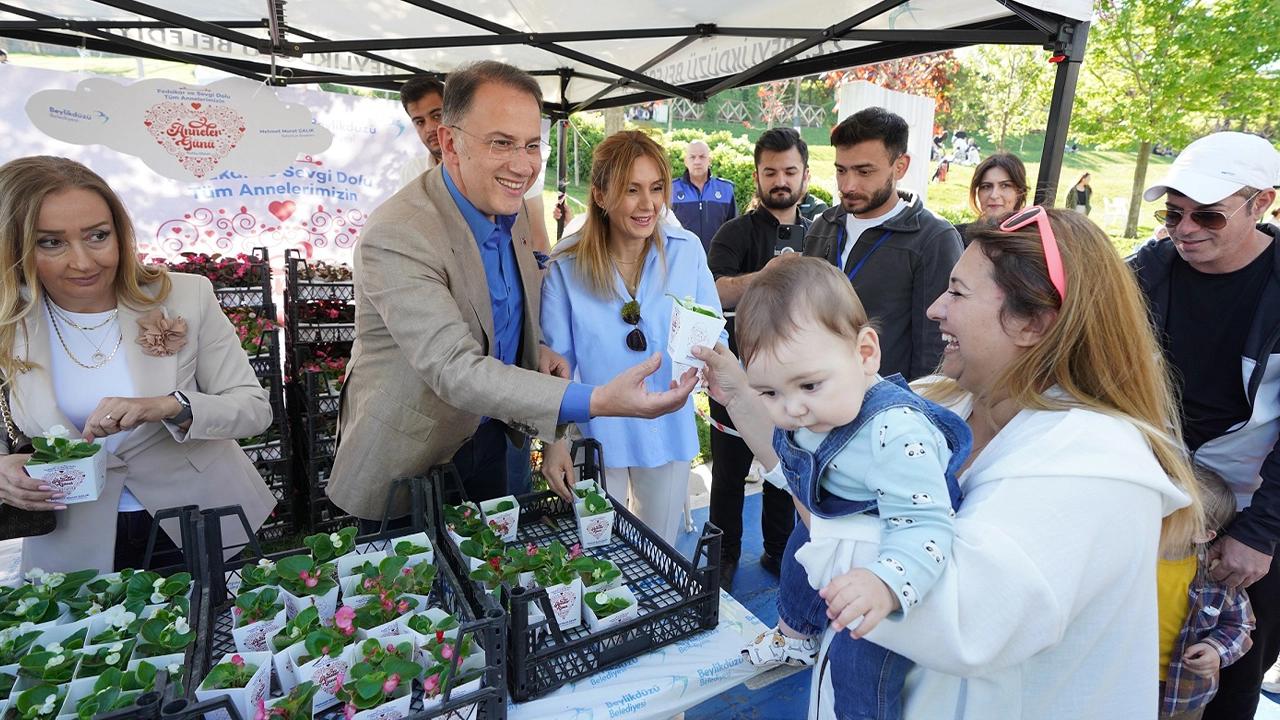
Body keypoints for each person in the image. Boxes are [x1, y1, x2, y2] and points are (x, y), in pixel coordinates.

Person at [697, 207, 1200, 718]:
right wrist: (741, 393)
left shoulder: (1090, 464)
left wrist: (820, 515)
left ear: (1033, 322)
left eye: (957, 292)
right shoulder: (940, 403)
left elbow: (961, 622)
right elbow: (818, 473)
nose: (936, 308)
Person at [330, 61, 697, 527]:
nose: (522, 165)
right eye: (500, 143)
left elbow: (504, 315)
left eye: (530, 145)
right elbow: (454, 368)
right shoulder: (399, 233)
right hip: (415, 460)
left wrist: (536, 351)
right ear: (450, 143)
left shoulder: (514, 212)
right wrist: (597, 400)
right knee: (416, 595)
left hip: (499, 445)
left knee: (501, 585)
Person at [0, 156, 277, 572]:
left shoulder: (185, 296)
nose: (83, 261)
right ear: (14, 247)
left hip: (200, 517)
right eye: (51, 242)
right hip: (73, 534)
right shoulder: (8, 320)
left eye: (98, 235)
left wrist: (171, 406)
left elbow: (254, 409)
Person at [733, 258, 970, 720]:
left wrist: (885, 584)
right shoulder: (821, 406)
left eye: (807, 385)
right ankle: (796, 633)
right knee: (798, 554)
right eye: (769, 394)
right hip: (832, 527)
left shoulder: (896, 432)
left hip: (891, 557)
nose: (792, 409)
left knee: (857, 664)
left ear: (865, 353)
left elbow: (926, 525)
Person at [1130, 131, 1280, 720]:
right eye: (1173, 213)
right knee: (1136, 649)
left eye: (1209, 216)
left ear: (1262, 204)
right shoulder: (1149, 268)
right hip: (1155, 492)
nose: (1185, 228)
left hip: (1251, 505)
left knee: (1234, 670)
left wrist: (1261, 533)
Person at [538, 131, 725, 544]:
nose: (648, 205)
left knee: (660, 550)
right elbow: (556, 363)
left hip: (667, 425)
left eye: (657, 188)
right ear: (601, 195)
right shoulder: (565, 266)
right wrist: (555, 442)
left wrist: (724, 374)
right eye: (631, 190)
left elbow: (713, 331)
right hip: (596, 434)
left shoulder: (686, 250)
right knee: (598, 553)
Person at [706, 128, 809, 589]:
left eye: (790, 170)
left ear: (805, 174)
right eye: (771, 171)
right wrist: (762, 278)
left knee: (785, 467)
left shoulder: (820, 231)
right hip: (736, 374)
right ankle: (723, 554)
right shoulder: (734, 232)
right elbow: (708, 289)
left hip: (797, 381)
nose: (781, 180)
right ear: (757, 175)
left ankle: (778, 550)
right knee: (728, 472)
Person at [803, 106, 962, 381]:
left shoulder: (933, 238)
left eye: (864, 172)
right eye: (841, 170)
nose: (848, 184)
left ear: (900, 166)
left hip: (889, 413)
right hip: (814, 402)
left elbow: (935, 352)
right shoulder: (822, 226)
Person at [1159, 465, 1255, 720]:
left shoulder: (1215, 578)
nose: (1161, 511)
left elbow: (1241, 624)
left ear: (1202, 534)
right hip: (1123, 676)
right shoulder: (1129, 555)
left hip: (1183, 692)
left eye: (1175, 511)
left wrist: (1215, 649)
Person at [671, 140, 737, 251]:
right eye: (692, 157)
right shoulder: (671, 189)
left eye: (702, 157)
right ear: (686, 161)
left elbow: (734, 229)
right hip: (682, 258)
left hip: (716, 260)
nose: (697, 161)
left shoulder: (726, 190)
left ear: (709, 160)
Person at [954, 152, 1030, 243]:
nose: (994, 195)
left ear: (1019, 192)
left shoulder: (1030, 243)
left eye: (1005, 185)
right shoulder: (955, 238)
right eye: (986, 186)